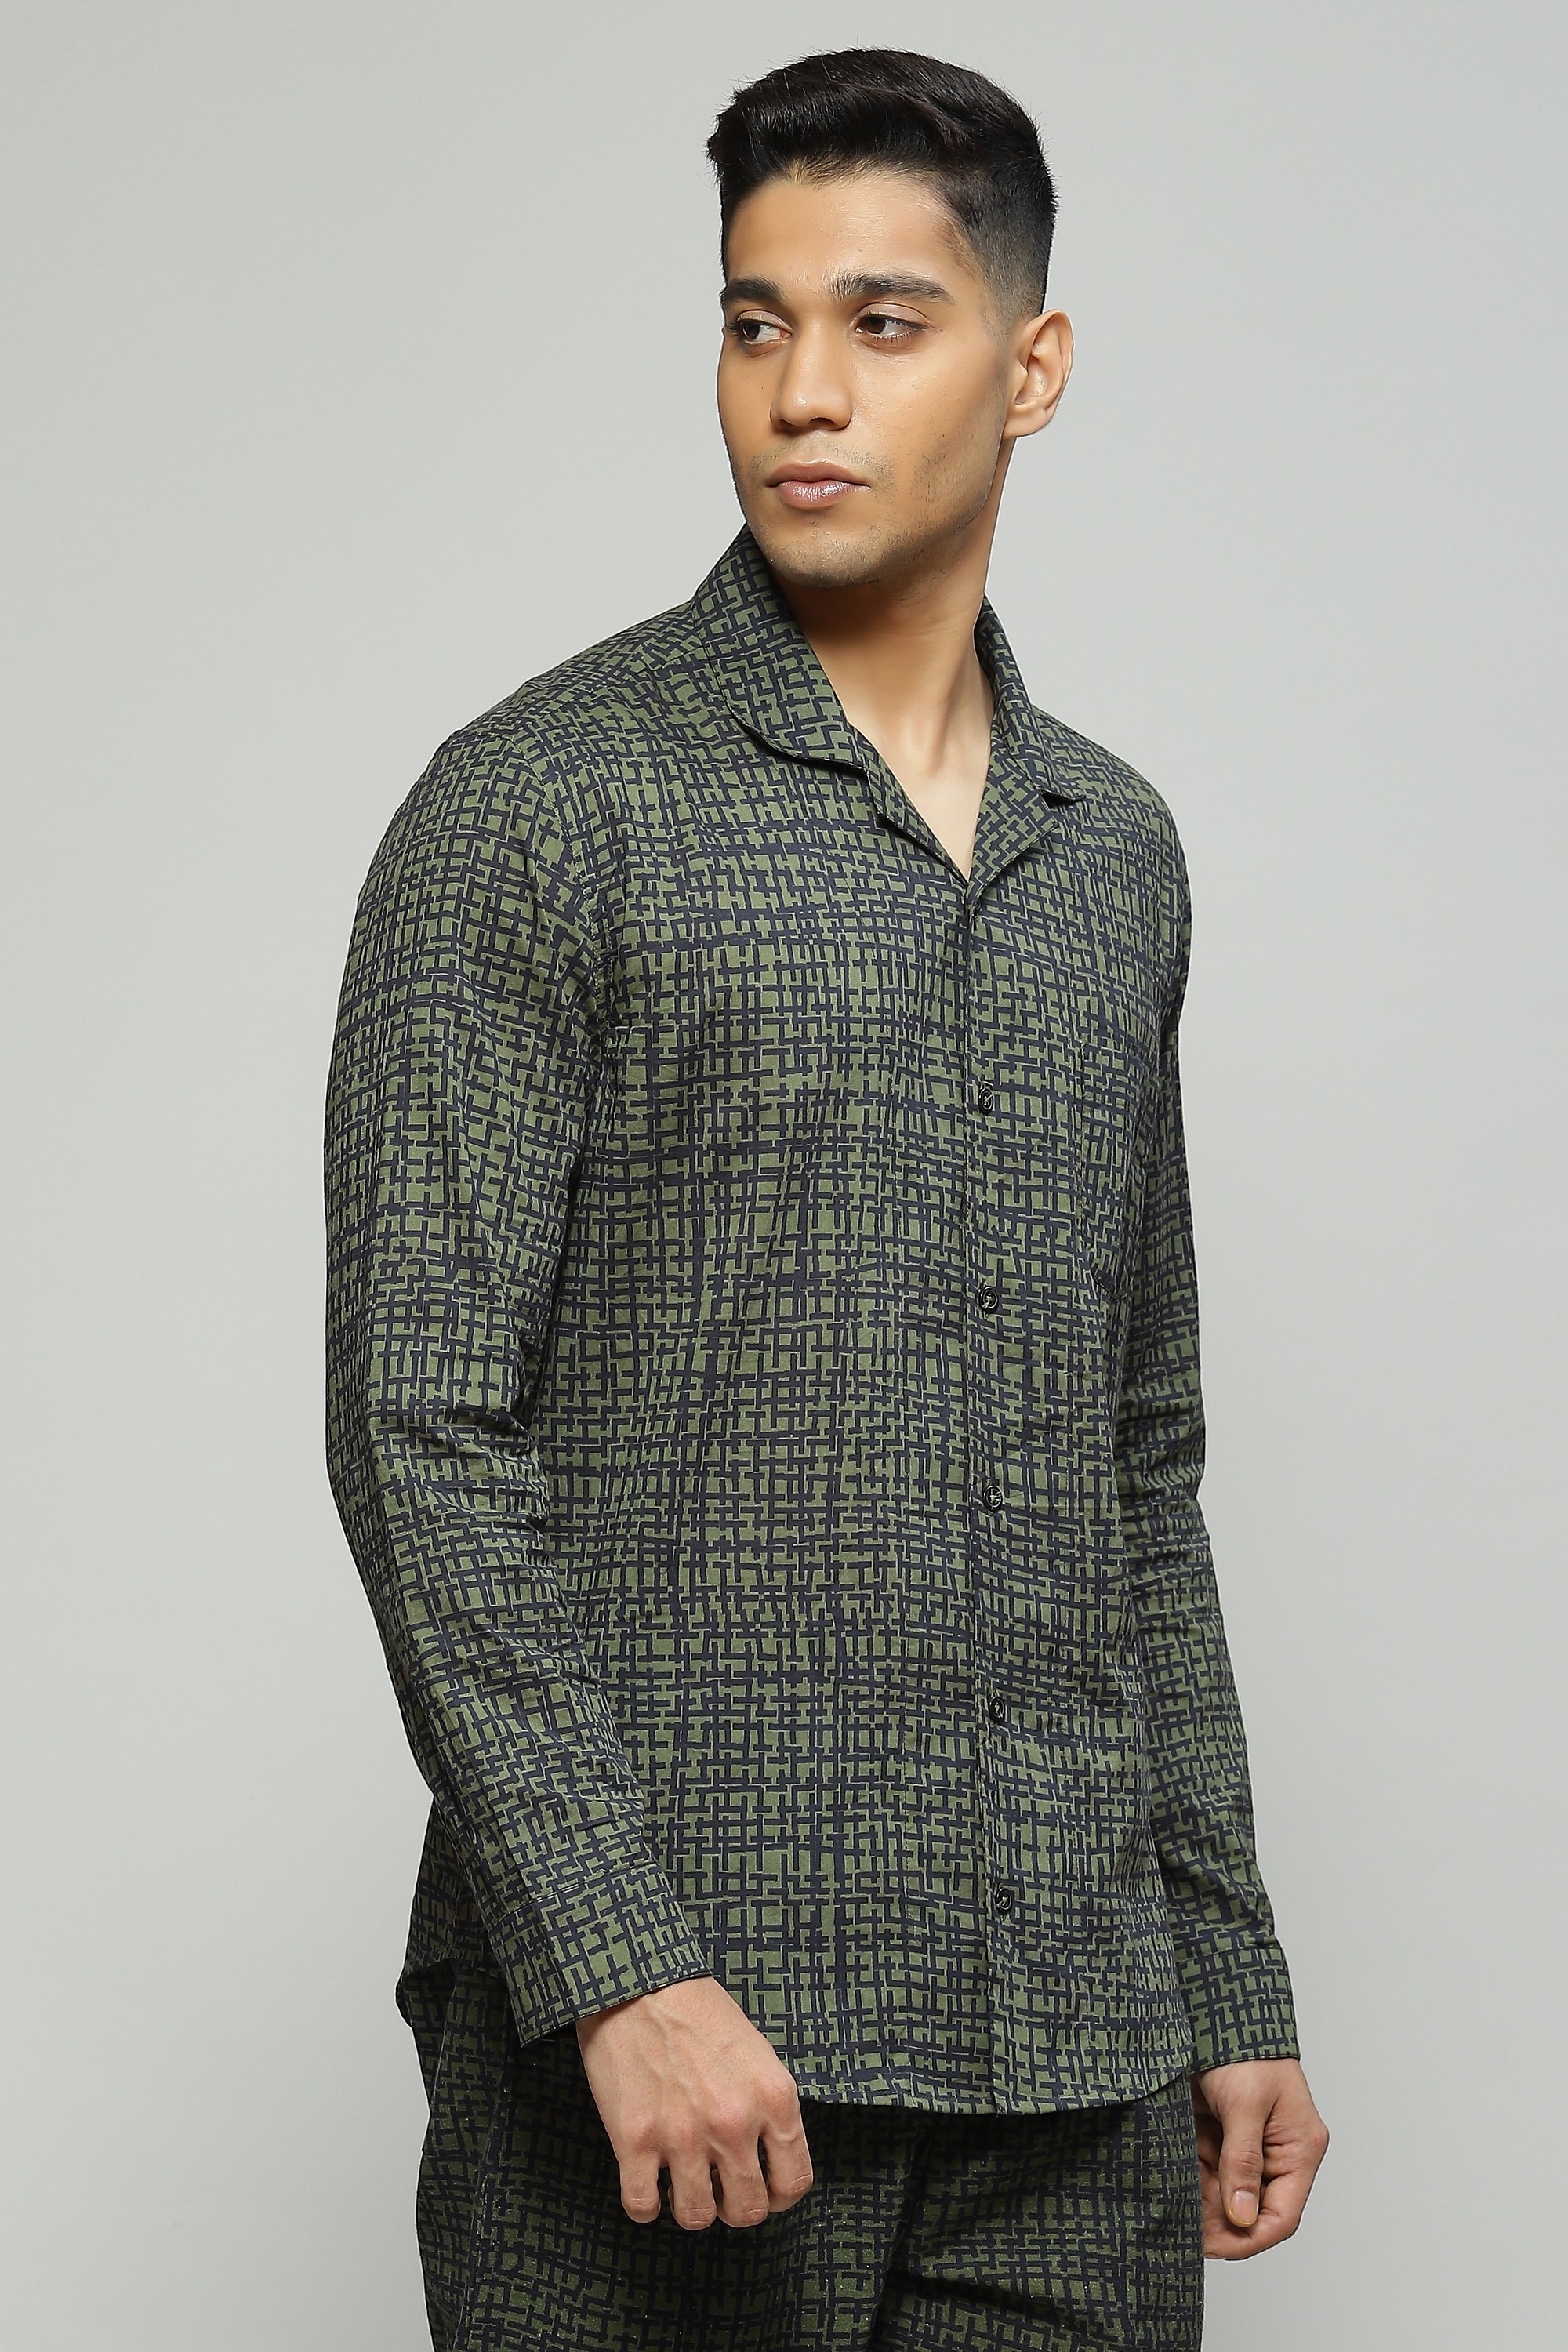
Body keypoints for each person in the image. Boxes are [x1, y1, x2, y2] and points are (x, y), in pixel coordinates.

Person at [325, 46, 1327, 2351]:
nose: (802, 390)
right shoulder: (538, 804)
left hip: (1076, 2061)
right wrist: (616, 1960)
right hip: (674, 2060)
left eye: (885, 322)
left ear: (1030, 366)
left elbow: (1137, 1456)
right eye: (753, 322)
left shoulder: (1115, 853)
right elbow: (421, 1429)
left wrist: (1225, 1969)